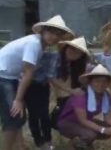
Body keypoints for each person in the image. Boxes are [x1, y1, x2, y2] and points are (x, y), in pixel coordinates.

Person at [0, 15, 74, 150]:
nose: (53, 37)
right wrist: (18, 99)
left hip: (10, 76)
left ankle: (19, 146)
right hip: (3, 75)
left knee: (18, 116)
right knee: (13, 118)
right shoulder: (34, 44)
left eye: (57, 34)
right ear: (43, 31)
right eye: (50, 32)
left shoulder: (41, 46)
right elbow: (28, 72)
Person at [57, 64, 111, 150]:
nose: (101, 84)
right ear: (90, 82)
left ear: (108, 83)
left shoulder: (106, 96)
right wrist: (102, 130)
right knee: (91, 134)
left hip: (86, 122)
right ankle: (78, 143)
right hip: (67, 123)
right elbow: (83, 120)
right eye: (97, 81)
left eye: (104, 81)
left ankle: (85, 142)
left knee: (110, 130)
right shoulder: (81, 95)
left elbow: (108, 119)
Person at [50, 37, 90, 129]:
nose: (73, 52)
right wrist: (71, 91)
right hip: (62, 98)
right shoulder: (56, 59)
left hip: (69, 98)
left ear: (81, 55)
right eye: (71, 48)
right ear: (66, 47)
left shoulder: (76, 66)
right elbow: (51, 78)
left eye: (78, 51)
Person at [25, 51, 58, 150]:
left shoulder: (53, 54)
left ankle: (48, 140)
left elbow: (51, 75)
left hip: (43, 85)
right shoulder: (30, 51)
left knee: (44, 114)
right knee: (33, 115)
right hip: (29, 85)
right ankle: (38, 141)